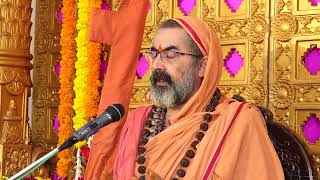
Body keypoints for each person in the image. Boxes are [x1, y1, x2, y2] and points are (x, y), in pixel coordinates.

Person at [85, 0, 285, 179]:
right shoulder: (138, 121)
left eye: (171, 54)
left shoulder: (238, 122)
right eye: (154, 54)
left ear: (202, 66)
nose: (157, 65)